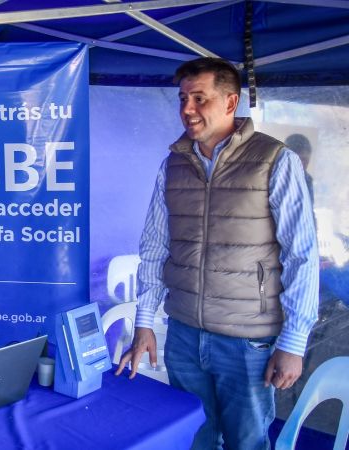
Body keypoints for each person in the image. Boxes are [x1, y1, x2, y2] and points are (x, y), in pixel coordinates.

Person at [116, 57, 319, 450]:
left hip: (248, 341)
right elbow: (155, 247)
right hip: (184, 334)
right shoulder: (173, 164)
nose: (187, 109)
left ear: (230, 102)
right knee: (192, 437)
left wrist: (293, 343)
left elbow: (301, 256)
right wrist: (144, 321)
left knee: (247, 441)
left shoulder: (274, 160)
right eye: (182, 99)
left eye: (199, 98)